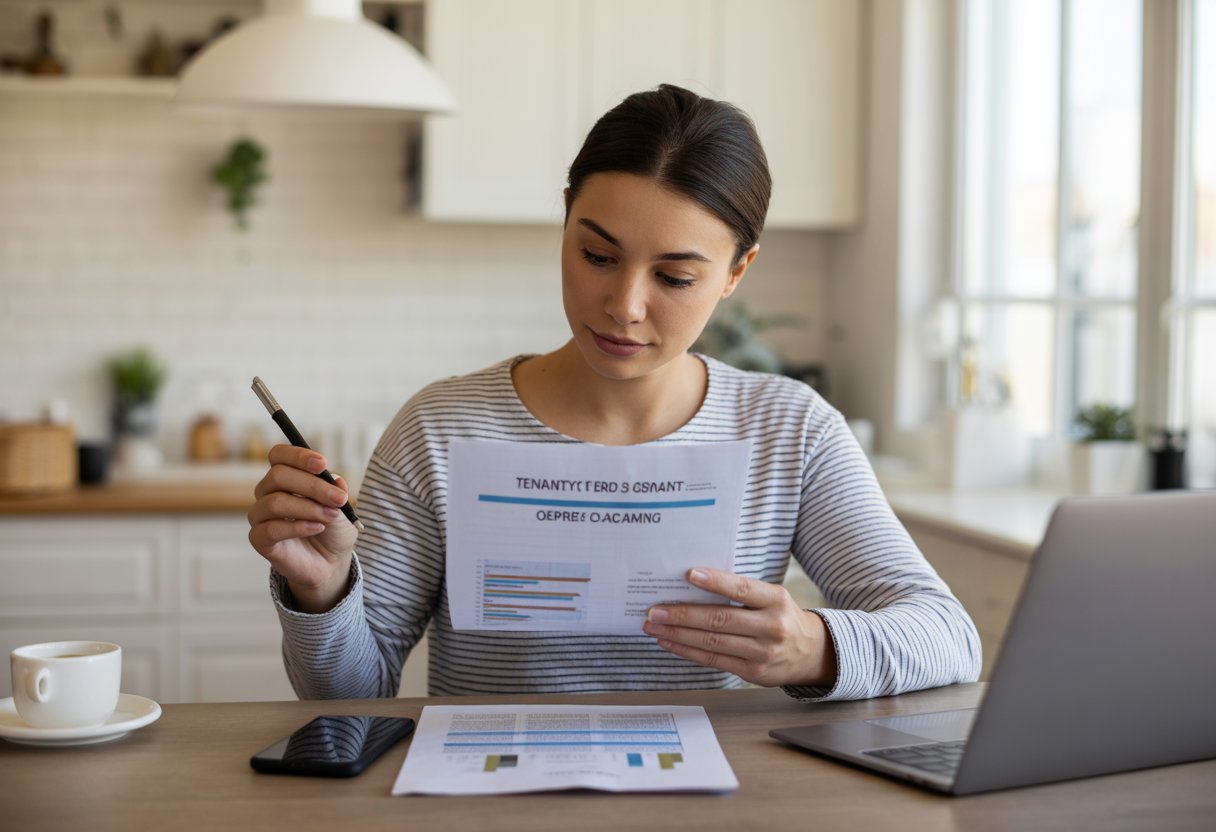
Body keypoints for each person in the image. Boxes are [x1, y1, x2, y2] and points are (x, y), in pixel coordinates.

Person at [247, 85, 981, 700]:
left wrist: (813, 647)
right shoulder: (442, 428)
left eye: (675, 277)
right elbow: (347, 696)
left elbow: (949, 637)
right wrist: (324, 590)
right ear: (565, 217)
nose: (624, 305)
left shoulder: (789, 431)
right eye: (597, 254)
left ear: (736, 272)